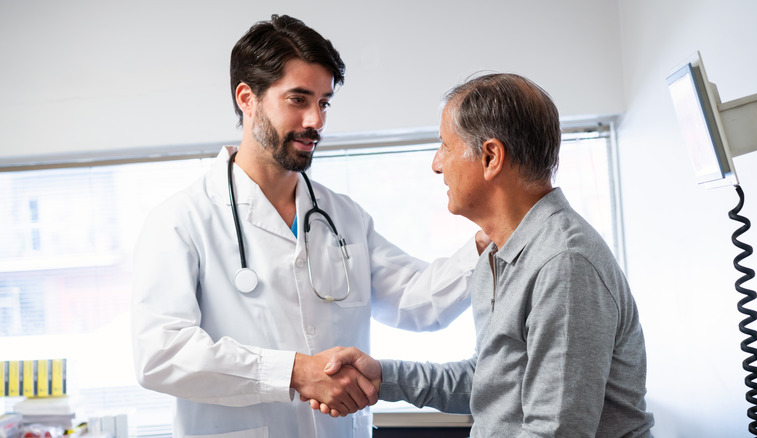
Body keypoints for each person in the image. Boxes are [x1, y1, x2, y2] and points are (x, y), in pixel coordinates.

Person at [131, 15, 490, 438]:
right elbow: (160, 354)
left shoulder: (343, 216)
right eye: (298, 100)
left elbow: (417, 302)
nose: (316, 120)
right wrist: (296, 372)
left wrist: (490, 238)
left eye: (324, 102)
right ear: (247, 98)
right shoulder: (182, 220)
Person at [313, 73, 656, 437]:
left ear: (491, 156)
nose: (436, 163)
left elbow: (555, 432)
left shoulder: (564, 263)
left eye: (445, 146)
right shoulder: (498, 254)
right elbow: (489, 380)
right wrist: (383, 377)